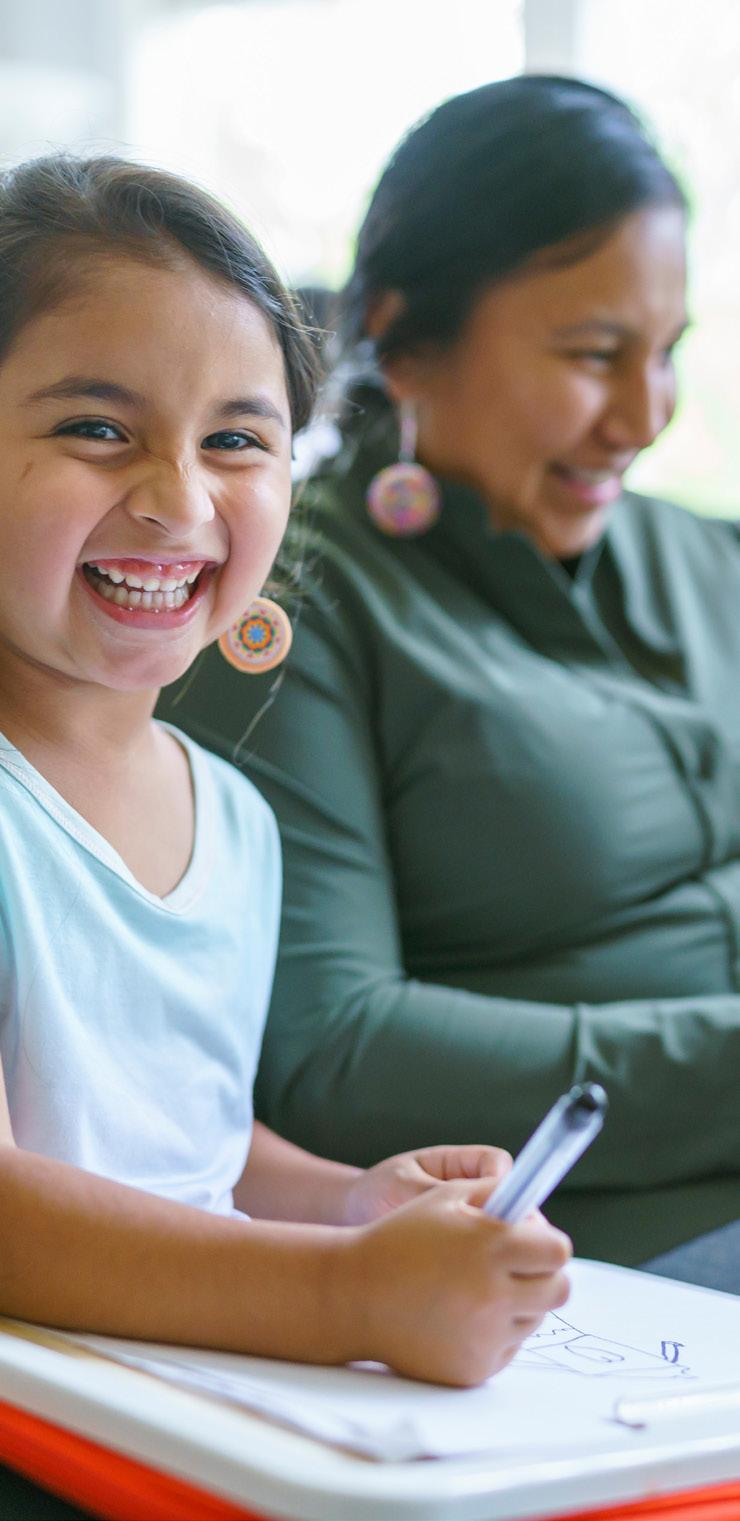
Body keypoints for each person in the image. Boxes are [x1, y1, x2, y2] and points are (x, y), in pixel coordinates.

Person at [0, 152, 572, 1391]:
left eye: (236, 439)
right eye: (96, 429)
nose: (177, 498)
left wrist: (354, 1207)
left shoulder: (236, 821)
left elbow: (187, 1151)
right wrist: (346, 1295)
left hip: (197, 1399)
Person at [158, 75, 740, 1271]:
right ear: (405, 336)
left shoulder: (703, 556)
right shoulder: (290, 618)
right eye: (592, 355)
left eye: (666, 354)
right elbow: (332, 1051)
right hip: (624, 1251)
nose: (643, 415)